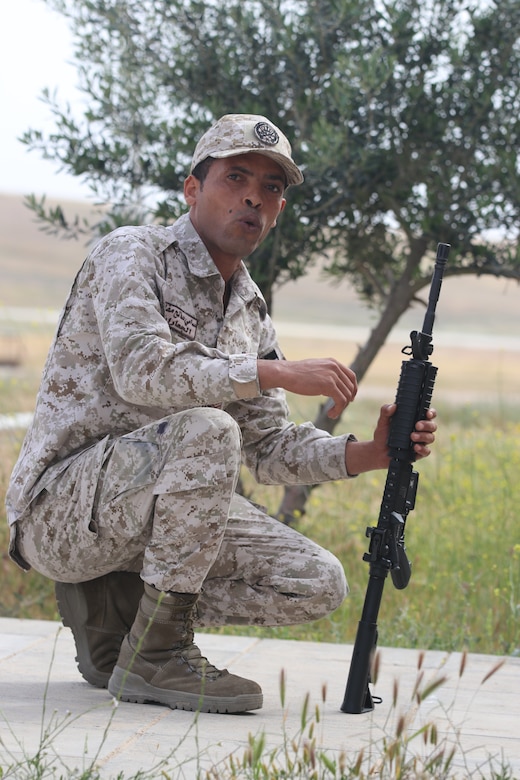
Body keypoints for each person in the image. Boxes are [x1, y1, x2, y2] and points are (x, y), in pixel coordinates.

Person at [5, 114, 437, 715]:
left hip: (156, 517)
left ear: (279, 209)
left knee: (316, 580)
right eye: (236, 177)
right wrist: (273, 371)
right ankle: (158, 655)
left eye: (272, 187)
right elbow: (141, 369)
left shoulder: (250, 309)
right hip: (63, 512)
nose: (254, 196)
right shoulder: (132, 254)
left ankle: (123, 623)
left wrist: (369, 452)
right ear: (192, 189)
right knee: (209, 428)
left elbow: (265, 447)